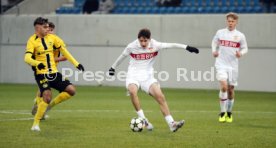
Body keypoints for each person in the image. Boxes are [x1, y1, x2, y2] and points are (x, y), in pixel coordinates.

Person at [108, 28, 199, 132]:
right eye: (141, 40)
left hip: (148, 77)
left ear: (149, 39)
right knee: (133, 92)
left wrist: (187, 47)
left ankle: (172, 124)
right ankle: (143, 120)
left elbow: (171, 45)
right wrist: (113, 67)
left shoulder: (155, 45)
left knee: (160, 97)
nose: (143, 43)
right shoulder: (132, 46)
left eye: (145, 40)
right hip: (133, 75)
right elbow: (122, 56)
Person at [25, 17, 85, 131]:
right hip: (41, 74)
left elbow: (65, 52)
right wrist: (37, 63)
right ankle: (35, 124)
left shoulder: (53, 38)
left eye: (49, 27)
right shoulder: (32, 40)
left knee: (71, 90)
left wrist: (76, 64)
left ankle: (46, 105)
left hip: (54, 72)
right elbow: (26, 57)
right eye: (45, 27)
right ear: (37, 28)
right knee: (46, 96)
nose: (48, 29)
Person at [211, 12, 248, 123]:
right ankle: (222, 113)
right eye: (229, 21)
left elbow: (245, 48)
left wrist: (241, 53)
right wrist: (214, 51)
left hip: (233, 66)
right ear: (226, 21)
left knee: (231, 90)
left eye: (232, 21)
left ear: (236, 22)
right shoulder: (220, 32)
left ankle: (229, 112)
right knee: (223, 86)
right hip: (221, 63)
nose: (230, 23)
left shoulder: (240, 35)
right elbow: (214, 42)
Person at [31, 22, 67, 119]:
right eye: (47, 29)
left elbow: (65, 56)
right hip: (43, 70)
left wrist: (56, 59)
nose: (49, 31)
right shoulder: (40, 41)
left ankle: (39, 105)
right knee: (44, 90)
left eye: (51, 30)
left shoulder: (56, 41)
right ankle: (40, 111)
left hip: (54, 70)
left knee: (45, 91)